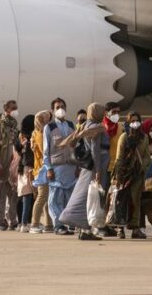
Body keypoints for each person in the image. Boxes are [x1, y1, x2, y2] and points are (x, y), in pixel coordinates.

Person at [58, 103, 107, 240]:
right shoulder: (95, 128)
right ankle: (85, 230)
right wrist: (98, 170)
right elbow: (95, 150)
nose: (104, 114)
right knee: (88, 198)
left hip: (87, 168)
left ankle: (82, 229)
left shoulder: (85, 125)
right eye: (102, 112)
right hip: (95, 167)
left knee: (83, 194)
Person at [113, 111, 151, 239]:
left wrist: (141, 165)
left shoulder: (144, 138)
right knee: (122, 200)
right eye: (132, 121)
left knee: (136, 200)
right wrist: (118, 176)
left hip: (137, 174)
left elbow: (147, 156)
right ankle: (120, 228)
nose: (135, 123)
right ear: (128, 122)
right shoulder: (124, 137)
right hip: (124, 173)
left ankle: (135, 228)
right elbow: (119, 157)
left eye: (137, 120)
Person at [43, 102, 77, 235]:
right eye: (57, 107)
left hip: (71, 166)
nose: (61, 109)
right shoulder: (49, 127)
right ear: (53, 110)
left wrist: (78, 166)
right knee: (55, 198)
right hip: (56, 167)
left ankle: (67, 223)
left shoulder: (71, 125)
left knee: (69, 197)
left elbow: (76, 146)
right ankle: (58, 225)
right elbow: (46, 151)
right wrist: (49, 168)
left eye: (63, 107)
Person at [0, 100, 19, 231]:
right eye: (13, 108)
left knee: (12, 193)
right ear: (6, 109)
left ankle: (12, 219)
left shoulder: (13, 125)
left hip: (11, 164)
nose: (15, 110)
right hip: (1, 162)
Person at [30, 110, 53, 234]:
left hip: (43, 168)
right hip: (42, 169)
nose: (46, 120)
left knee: (48, 198)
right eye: (43, 118)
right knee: (42, 197)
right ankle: (34, 223)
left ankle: (48, 224)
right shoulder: (40, 133)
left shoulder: (39, 132)